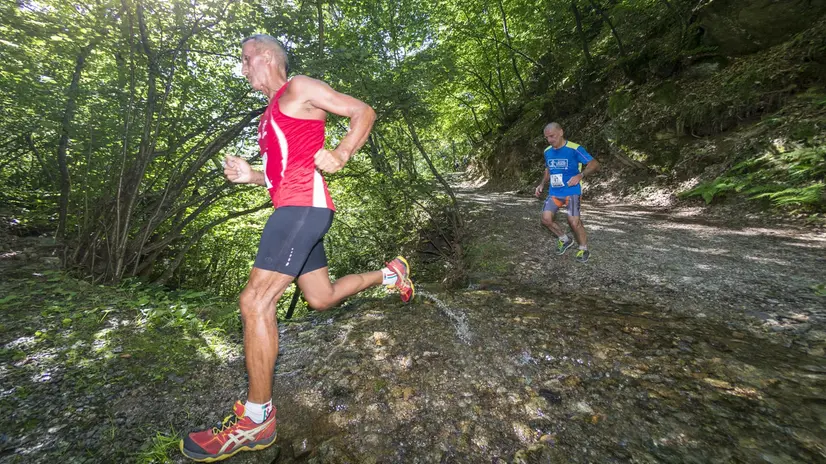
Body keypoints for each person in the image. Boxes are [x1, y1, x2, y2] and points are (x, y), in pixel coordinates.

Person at [179, 34, 414, 462]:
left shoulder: (299, 88)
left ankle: (257, 419)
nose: (243, 67)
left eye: (247, 58)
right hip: (295, 206)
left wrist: (342, 152)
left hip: (303, 208)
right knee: (321, 298)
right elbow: (278, 174)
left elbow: (363, 111)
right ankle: (391, 273)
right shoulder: (268, 115)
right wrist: (250, 175)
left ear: (268, 56)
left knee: (254, 302)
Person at [534, 122, 600, 263]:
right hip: (555, 192)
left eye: (552, 136)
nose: (549, 140)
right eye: (547, 138)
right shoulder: (547, 151)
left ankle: (583, 248)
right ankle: (565, 239)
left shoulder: (574, 148)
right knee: (545, 219)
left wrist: (580, 175)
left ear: (561, 132)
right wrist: (541, 184)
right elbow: (548, 169)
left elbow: (594, 163)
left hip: (572, 191)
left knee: (573, 221)